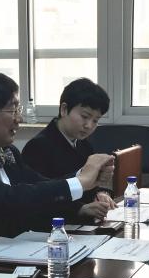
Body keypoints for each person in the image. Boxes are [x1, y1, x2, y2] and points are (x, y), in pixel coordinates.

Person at [0, 71, 115, 269]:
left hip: (12, 256)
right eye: (12, 111)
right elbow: (11, 199)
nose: (19, 118)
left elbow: (38, 184)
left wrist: (85, 177)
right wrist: (80, 182)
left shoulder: (7, 151)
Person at [22, 79, 115, 214]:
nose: (89, 125)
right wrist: (79, 209)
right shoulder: (38, 147)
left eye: (95, 120)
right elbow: (38, 196)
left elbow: (89, 183)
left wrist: (100, 193)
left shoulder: (83, 143)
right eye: (85, 116)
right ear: (64, 109)